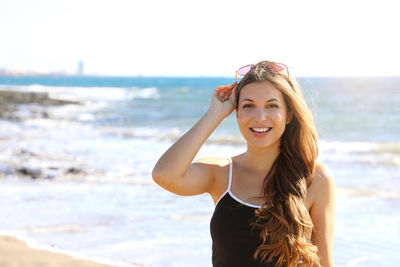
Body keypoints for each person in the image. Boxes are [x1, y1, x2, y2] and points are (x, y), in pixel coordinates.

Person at [152, 61, 335, 267]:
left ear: (289, 115)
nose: (259, 117)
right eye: (248, 106)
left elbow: (324, 263)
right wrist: (216, 113)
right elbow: (164, 174)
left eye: (271, 106)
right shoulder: (221, 173)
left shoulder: (314, 178)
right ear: (237, 113)